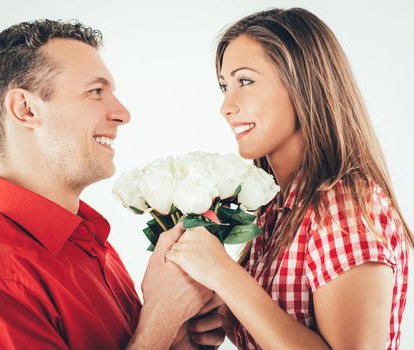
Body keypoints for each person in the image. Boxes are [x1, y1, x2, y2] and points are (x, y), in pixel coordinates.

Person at [0, 20, 224, 349]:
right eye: (95, 91)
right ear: (25, 109)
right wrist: (161, 315)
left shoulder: (91, 245)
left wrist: (175, 340)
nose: (122, 113)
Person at [165, 7, 413, 350]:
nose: (226, 106)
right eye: (225, 86)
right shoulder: (277, 210)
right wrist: (225, 312)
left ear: (304, 85)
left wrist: (225, 275)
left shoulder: (342, 207)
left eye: (245, 81)